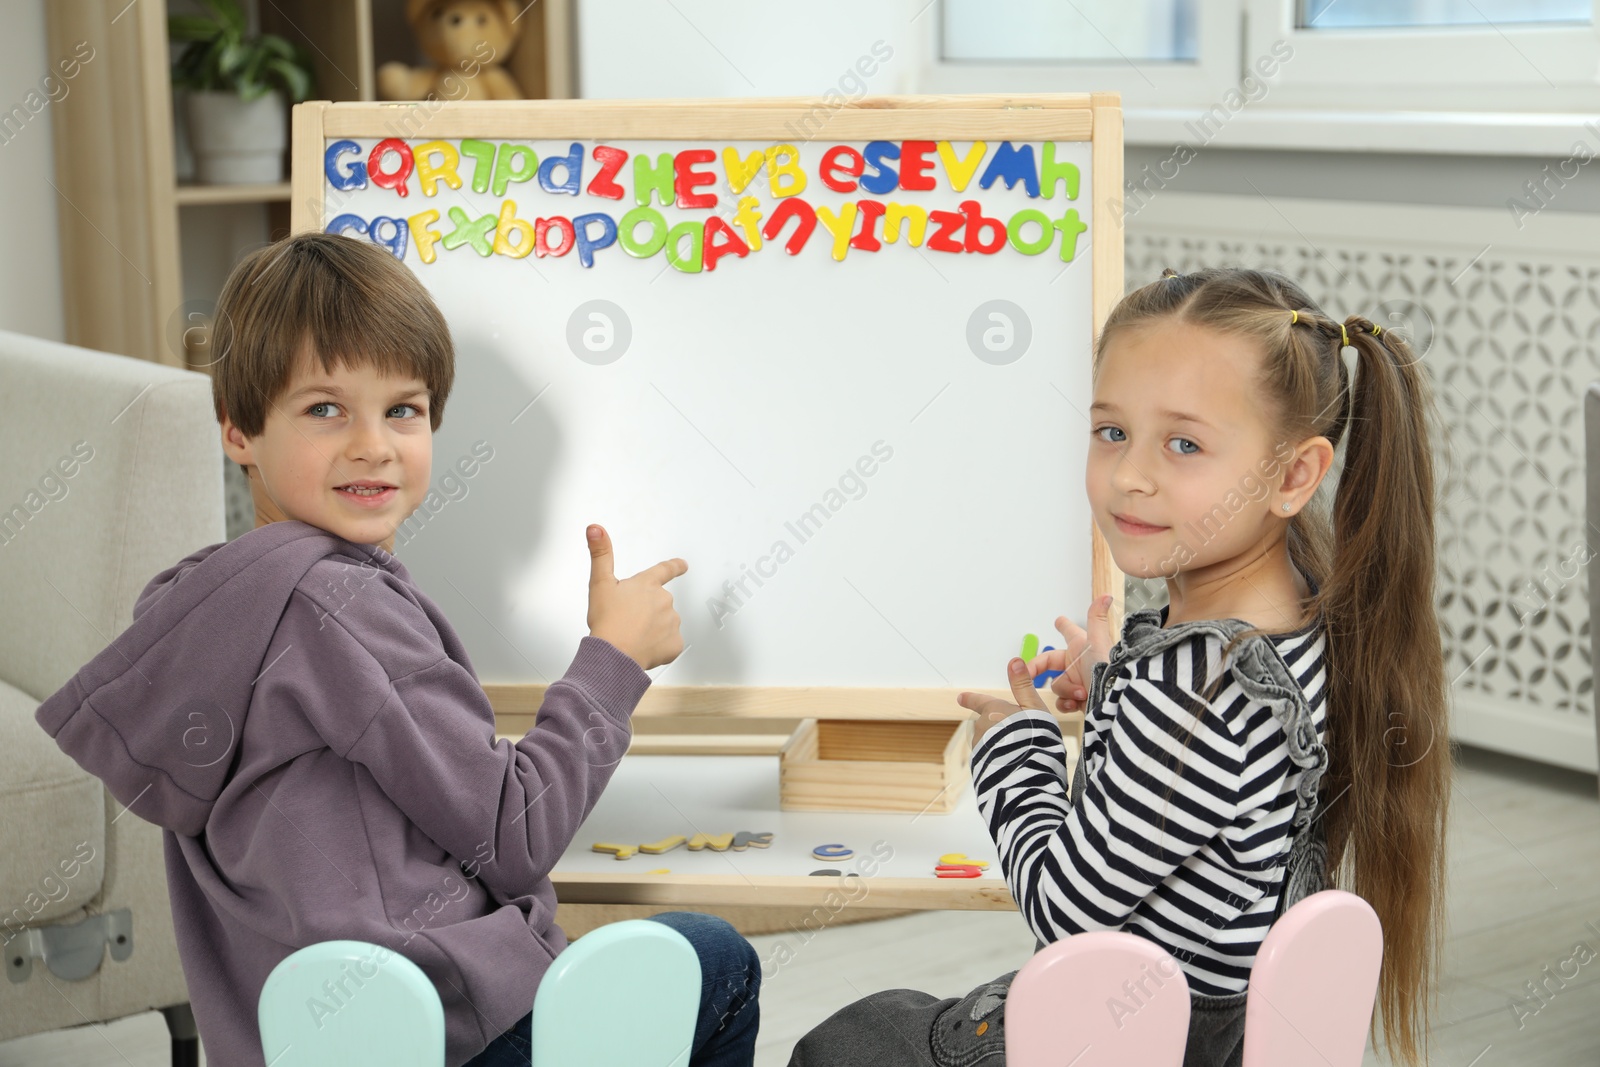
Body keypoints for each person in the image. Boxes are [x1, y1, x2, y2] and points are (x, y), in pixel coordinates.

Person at [33, 231, 760, 1067]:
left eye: (402, 409)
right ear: (238, 430)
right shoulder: (344, 609)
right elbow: (512, 833)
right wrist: (613, 658)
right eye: (325, 409)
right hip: (444, 1035)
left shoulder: (208, 609)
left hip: (298, 1043)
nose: (373, 444)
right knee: (716, 957)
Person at [789, 266, 1449, 1067]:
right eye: (1111, 431)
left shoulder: (1192, 695)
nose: (1131, 474)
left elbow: (1068, 908)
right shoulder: (1305, 617)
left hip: (1140, 1035)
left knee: (848, 1043)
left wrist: (1016, 745)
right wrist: (1116, 691)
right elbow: (1199, 809)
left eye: (1184, 443)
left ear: (1294, 475)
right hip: (1226, 1021)